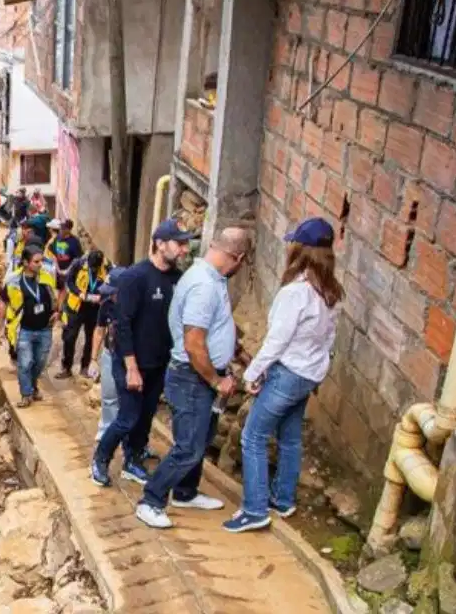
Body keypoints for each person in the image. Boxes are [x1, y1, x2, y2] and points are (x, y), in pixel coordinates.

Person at [224, 218, 341, 533]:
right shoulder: (331, 291)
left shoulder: (296, 293)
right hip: (308, 376)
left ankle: (254, 508)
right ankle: (283, 499)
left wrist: (253, 372)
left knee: (253, 436)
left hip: (287, 374)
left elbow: (277, 341)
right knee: (289, 438)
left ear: (299, 249)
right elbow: (329, 342)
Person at [136, 226, 251, 530]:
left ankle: (185, 492)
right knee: (188, 447)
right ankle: (151, 500)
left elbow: (214, 327)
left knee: (201, 439)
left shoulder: (214, 279)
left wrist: (235, 351)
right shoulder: (203, 285)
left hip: (200, 377)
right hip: (192, 379)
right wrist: (216, 381)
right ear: (237, 257)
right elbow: (194, 343)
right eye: (244, 262)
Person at [91, 219, 192, 489]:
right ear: (160, 244)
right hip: (131, 363)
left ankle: (132, 461)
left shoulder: (177, 279)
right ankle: (100, 459)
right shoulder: (135, 277)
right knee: (127, 418)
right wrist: (131, 368)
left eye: (186, 243)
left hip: (158, 362)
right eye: (179, 243)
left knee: (145, 417)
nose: (184, 249)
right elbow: (122, 325)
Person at [0, 245, 57, 407]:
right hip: (24, 330)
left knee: (40, 362)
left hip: (45, 329)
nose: (40, 264)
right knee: (25, 363)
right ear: (25, 262)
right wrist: (0, 328)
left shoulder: (47, 277)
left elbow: (55, 297)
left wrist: (57, 312)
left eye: (41, 261)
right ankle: (26, 394)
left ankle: (32, 384)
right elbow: (2, 303)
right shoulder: (13, 281)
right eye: (36, 261)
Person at [57, 249, 109, 379]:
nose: (94, 270)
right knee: (69, 337)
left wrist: (100, 297)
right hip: (76, 305)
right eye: (92, 267)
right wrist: (80, 293)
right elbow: (69, 282)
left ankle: (85, 367)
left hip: (94, 308)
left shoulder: (107, 268)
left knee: (91, 337)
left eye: (96, 268)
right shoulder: (78, 264)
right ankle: (67, 367)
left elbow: (111, 286)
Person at [93, 266, 127, 441]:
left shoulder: (135, 306)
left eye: (113, 292)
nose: (110, 296)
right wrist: (93, 359)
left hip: (129, 359)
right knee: (108, 396)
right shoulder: (107, 305)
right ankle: (106, 431)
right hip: (109, 353)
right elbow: (99, 330)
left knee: (128, 399)